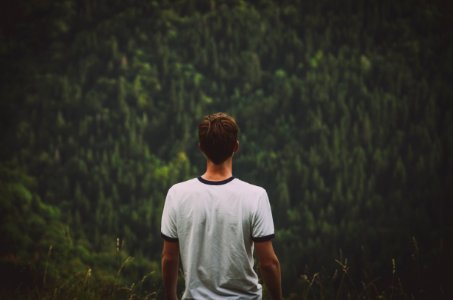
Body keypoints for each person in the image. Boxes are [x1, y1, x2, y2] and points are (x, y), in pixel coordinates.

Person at [161, 112, 282, 299]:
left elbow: (169, 258)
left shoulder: (177, 195)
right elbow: (268, 263)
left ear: (201, 148)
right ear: (236, 147)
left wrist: (171, 297)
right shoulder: (255, 196)